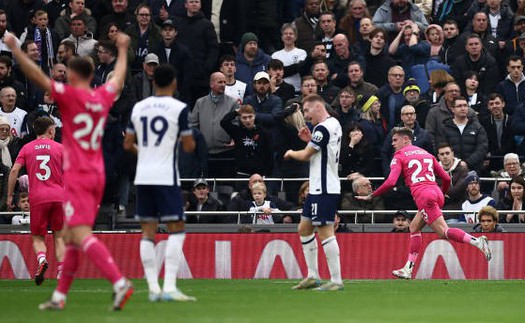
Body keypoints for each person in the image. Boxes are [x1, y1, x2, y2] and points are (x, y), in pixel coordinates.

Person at [4, 31, 134, 311]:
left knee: (79, 235)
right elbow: (119, 77)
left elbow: (38, 76)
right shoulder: (102, 96)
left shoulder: (69, 95)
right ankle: (60, 297)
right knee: (72, 238)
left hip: (76, 175)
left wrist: (16, 49)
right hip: (97, 172)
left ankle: (119, 281)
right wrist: (123, 50)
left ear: (73, 75)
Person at [356, 127, 492, 280]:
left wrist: (372, 195)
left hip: (423, 196)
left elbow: (391, 181)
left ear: (406, 139)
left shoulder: (399, 155)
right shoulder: (426, 154)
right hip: (436, 192)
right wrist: (443, 193)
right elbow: (446, 179)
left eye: (395, 140)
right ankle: (408, 268)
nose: (392, 144)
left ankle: (477, 241)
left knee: (443, 232)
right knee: (414, 227)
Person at [123, 63, 197, 302]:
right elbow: (188, 146)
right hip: (166, 175)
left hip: (143, 175)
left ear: (153, 82)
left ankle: (153, 288)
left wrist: (144, 152)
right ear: (174, 83)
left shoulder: (139, 107)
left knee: (147, 232)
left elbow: (127, 144)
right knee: (177, 230)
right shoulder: (179, 108)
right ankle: (170, 287)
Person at [284, 94, 343, 291]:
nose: (306, 116)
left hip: (323, 187)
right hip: (321, 185)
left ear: (318, 106)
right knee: (304, 228)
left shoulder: (322, 128)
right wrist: (310, 140)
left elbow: (306, 155)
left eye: (307, 111)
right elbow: (322, 150)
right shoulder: (334, 123)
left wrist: (291, 152)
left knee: (325, 231)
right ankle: (312, 276)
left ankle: (336, 280)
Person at [7, 116, 65, 286]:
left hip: (38, 197)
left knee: (38, 237)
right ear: (50, 130)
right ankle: (61, 272)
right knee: (59, 236)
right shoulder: (60, 148)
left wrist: (10, 195)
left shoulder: (27, 148)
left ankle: (41, 260)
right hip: (58, 196)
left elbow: (14, 170)